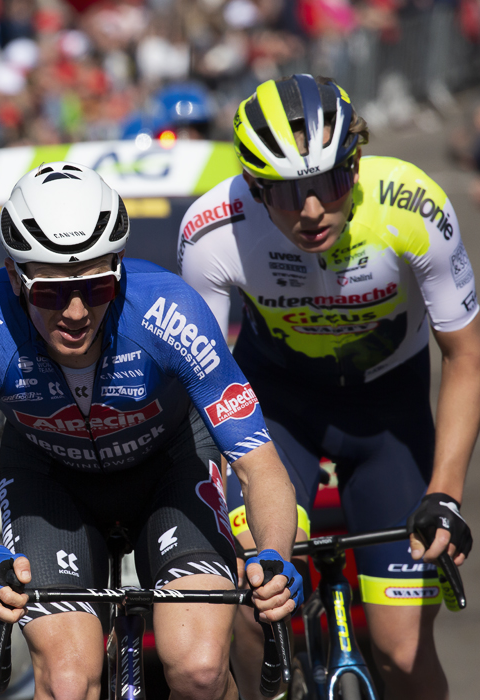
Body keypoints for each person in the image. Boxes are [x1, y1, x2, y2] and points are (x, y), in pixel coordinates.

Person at [0, 161, 304, 700]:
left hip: (170, 467)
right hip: (50, 481)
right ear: (15, 278)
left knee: (199, 669)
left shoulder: (170, 309)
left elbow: (259, 465)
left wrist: (274, 552)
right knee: (65, 681)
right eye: (50, 294)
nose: (78, 312)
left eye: (98, 285)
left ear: (120, 266)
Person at [178, 74, 477, 700]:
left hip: (388, 411)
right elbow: (200, 380)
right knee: (260, 610)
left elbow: (466, 356)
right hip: (276, 410)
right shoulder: (212, 230)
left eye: (332, 183)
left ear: (357, 163)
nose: (312, 209)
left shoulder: (413, 205)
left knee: (402, 651)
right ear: (255, 188)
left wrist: (446, 492)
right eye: (287, 193)